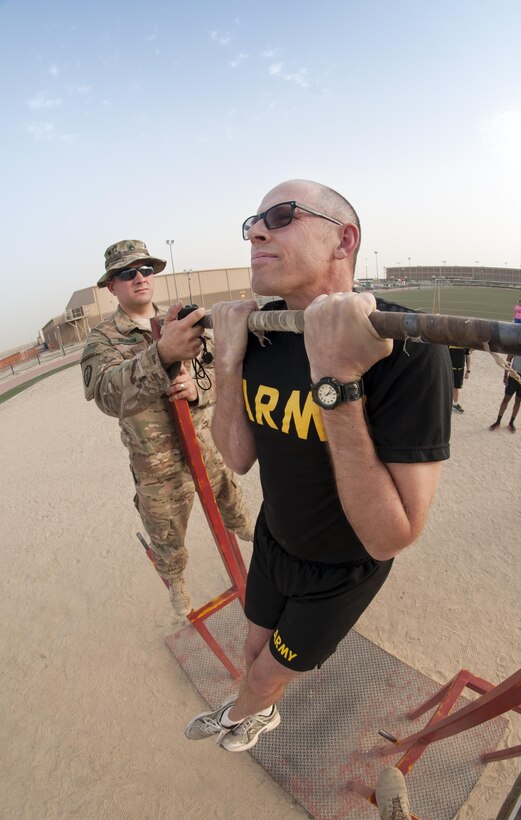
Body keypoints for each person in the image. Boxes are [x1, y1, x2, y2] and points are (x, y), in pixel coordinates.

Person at [184, 180, 452, 752]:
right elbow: (238, 457)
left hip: (340, 570)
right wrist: (228, 361)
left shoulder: (409, 350)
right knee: (252, 651)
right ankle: (255, 713)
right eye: (252, 223)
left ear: (343, 240)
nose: (256, 231)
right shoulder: (262, 332)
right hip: (276, 541)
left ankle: (241, 714)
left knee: (263, 675)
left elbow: (389, 537)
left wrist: (336, 379)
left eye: (280, 217)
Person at [81, 240, 253, 617]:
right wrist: (160, 355)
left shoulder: (183, 320)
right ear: (112, 286)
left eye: (146, 269)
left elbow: (214, 371)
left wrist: (197, 391)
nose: (139, 278)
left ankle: (253, 539)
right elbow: (108, 396)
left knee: (235, 507)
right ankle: (175, 581)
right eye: (128, 273)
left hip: (206, 445)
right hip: (156, 464)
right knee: (166, 533)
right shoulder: (103, 340)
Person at [489, 353, 521, 433]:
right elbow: (508, 359)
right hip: (513, 375)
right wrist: (505, 375)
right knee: (506, 399)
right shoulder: (517, 344)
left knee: (518, 401)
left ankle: (511, 422)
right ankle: (498, 421)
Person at [448, 345, 471, 413]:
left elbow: (468, 356)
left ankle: (455, 404)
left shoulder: (465, 342)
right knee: (445, 386)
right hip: (449, 368)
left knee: (456, 387)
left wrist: (468, 370)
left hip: (459, 369)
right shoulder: (449, 341)